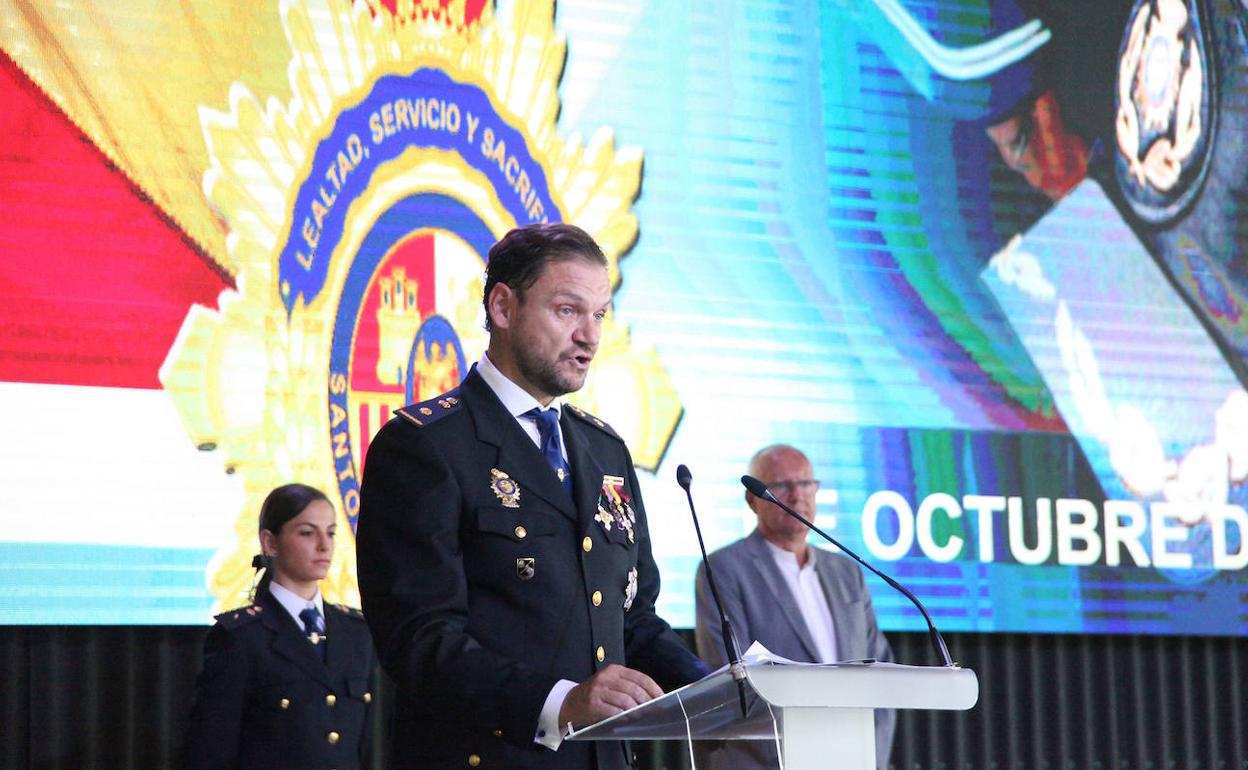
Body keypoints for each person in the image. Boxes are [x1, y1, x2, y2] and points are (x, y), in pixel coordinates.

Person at [356, 222, 708, 770]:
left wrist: (722, 689)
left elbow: (632, 621)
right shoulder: (425, 446)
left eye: (600, 315)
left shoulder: (604, 451)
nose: (589, 336)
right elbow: (419, 640)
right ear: (502, 307)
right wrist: (560, 703)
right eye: (568, 311)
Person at [694, 444, 895, 770]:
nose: (796, 495)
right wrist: (803, 757)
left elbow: (881, 678)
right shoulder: (724, 569)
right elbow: (735, 680)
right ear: (752, 500)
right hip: (769, 762)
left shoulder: (847, 571)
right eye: (781, 485)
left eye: (805, 484)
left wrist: (870, 756)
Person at [184, 484, 376, 770]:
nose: (324, 545)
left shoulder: (355, 632)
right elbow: (210, 751)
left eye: (331, 532)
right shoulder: (242, 637)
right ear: (270, 543)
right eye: (307, 533)